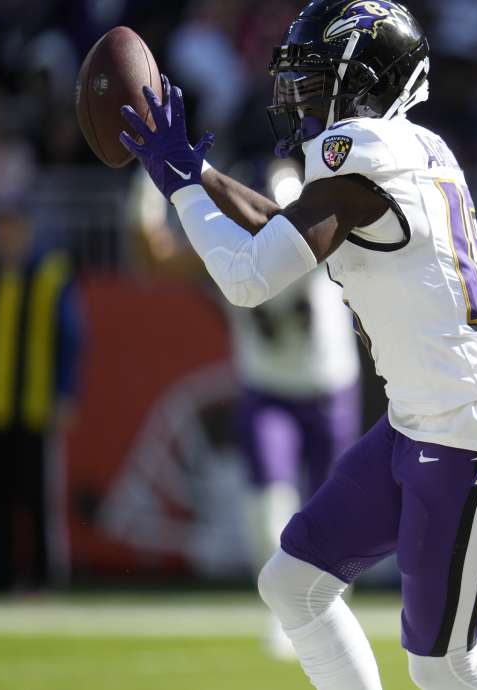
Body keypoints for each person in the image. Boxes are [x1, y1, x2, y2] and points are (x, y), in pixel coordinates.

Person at [117, 3, 477, 689]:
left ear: (368, 82)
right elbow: (285, 227)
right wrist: (199, 173)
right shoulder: (411, 149)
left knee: (444, 666)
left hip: (475, 435)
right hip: (422, 419)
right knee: (294, 583)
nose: (297, 94)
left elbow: (247, 276)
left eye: (315, 77)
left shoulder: (360, 154)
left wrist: (178, 186)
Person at [129, 160, 362, 658]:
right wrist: (146, 189)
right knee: (268, 502)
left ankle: (332, 610)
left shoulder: (324, 237)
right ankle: (289, 613)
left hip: (327, 384)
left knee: (333, 506)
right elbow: (156, 259)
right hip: (268, 384)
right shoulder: (234, 242)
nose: (275, 225)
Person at [0, 206, 83, 591]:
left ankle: (46, 576)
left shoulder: (50, 276)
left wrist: (64, 393)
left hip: (35, 403)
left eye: (13, 228)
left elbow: (71, 339)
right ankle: (6, 575)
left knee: (37, 495)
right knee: (0, 493)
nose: (7, 237)